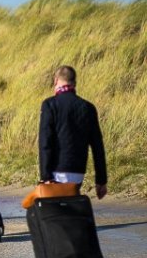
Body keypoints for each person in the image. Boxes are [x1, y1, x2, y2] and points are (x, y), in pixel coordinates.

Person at [39, 65, 108, 199]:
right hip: (77, 171)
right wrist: (101, 181)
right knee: (70, 205)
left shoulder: (49, 104)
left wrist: (45, 176)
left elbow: (45, 143)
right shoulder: (88, 107)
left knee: (57, 211)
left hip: (56, 170)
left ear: (55, 80)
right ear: (74, 83)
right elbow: (97, 146)